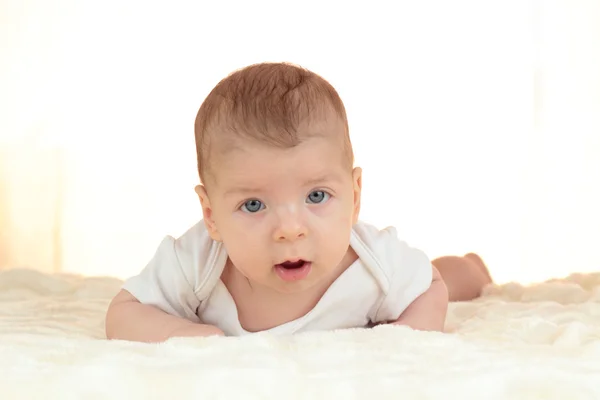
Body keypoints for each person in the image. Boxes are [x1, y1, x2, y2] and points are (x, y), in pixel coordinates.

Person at [105, 62, 493, 342]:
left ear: (354, 197)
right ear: (211, 216)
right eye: (254, 205)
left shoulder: (375, 264)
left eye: (316, 196)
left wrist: (403, 339)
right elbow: (123, 314)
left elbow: (431, 289)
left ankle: (473, 267)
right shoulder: (197, 263)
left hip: (418, 280)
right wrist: (193, 337)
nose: (291, 229)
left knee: (447, 274)